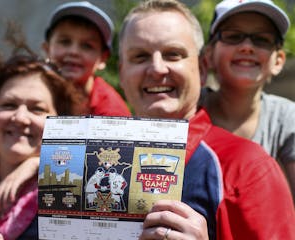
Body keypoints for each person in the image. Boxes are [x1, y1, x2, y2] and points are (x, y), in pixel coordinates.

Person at [118, 0, 295, 239]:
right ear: (121, 73)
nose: (157, 68)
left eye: (173, 54)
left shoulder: (250, 168)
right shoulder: (91, 153)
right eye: (140, 57)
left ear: (202, 68)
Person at [0, 52, 81, 239]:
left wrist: (40, 164)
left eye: (37, 109)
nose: (20, 118)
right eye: (9, 105)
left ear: (61, 121)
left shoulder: (74, 201)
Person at [199, 0, 295, 201]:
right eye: (233, 36)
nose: (247, 47)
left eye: (262, 39)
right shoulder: (190, 109)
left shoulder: (287, 118)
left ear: (278, 60)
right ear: (208, 56)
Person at [42, 1, 131, 117]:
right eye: (65, 42)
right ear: (47, 49)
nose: (74, 52)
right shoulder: (30, 90)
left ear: (103, 58)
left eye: (87, 46)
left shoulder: (111, 113)